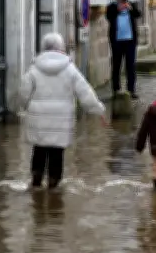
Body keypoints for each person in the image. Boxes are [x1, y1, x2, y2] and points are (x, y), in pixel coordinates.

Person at [19, 33, 107, 189]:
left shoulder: (34, 68)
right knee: (56, 153)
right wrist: (99, 110)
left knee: (39, 150)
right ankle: (53, 186)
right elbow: (85, 93)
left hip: (38, 121)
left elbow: (23, 93)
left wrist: (23, 108)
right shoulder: (70, 70)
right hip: (61, 123)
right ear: (61, 48)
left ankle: (36, 183)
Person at [106, 0, 142, 99]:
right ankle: (116, 90)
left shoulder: (131, 4)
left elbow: (138, 14)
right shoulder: (111, 6)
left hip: (130, 40)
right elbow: (109, 16)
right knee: (116, 65)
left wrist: (130, 8)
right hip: (117, 41)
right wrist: (118, 9)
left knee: (130, 66)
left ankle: (131, 90)